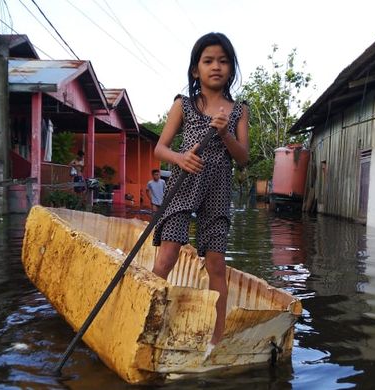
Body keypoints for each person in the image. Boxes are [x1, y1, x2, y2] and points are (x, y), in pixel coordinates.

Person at [151, 32, 249, 357]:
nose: (216, 67)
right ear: (196, 70)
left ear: (231, 69)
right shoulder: (184, 105)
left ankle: (214, 341)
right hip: (184, 184)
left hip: (219, 189)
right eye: (208, 61)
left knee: (217, 263)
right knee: (168, 255)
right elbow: (160, 148)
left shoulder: (237, 111)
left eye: (223, 61)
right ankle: (146, 319)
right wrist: (180, 157)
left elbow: (243, 157)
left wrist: (224, 133)